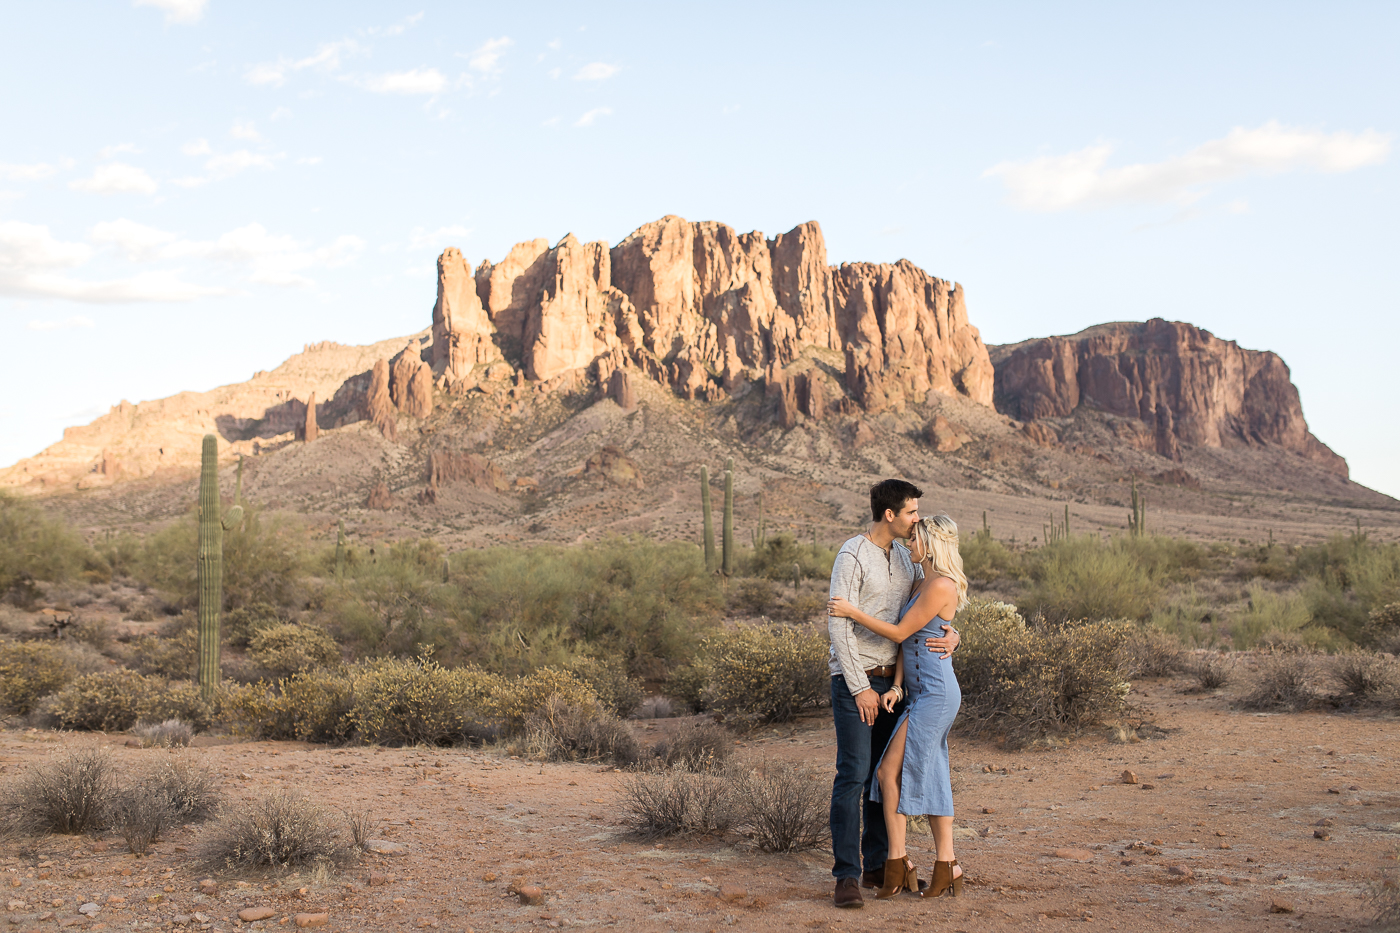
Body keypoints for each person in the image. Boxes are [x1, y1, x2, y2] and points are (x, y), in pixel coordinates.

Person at [826, 481, 961, 909]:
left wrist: (953, 634)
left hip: (898, 686)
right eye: (911, 514)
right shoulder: (852, 555)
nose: (915, 520)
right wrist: (859, 686)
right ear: (890, 515)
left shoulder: (906, 560)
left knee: (885, 775)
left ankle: (883, 865)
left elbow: (922, 620)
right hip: (859, 682)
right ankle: (847, 876)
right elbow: (838, 627)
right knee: (855, 775)